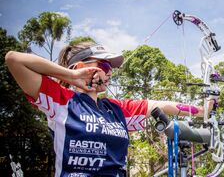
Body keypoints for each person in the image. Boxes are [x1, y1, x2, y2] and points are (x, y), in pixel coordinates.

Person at [5, 41, 207, 177]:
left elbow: (161, 106)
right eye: (105, 66)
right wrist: (72, 75)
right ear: (81, 66)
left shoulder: (117, 109)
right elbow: (14, 60)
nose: (110, 73)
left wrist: (202, 110)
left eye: (111, 68)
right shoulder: (61, 101)